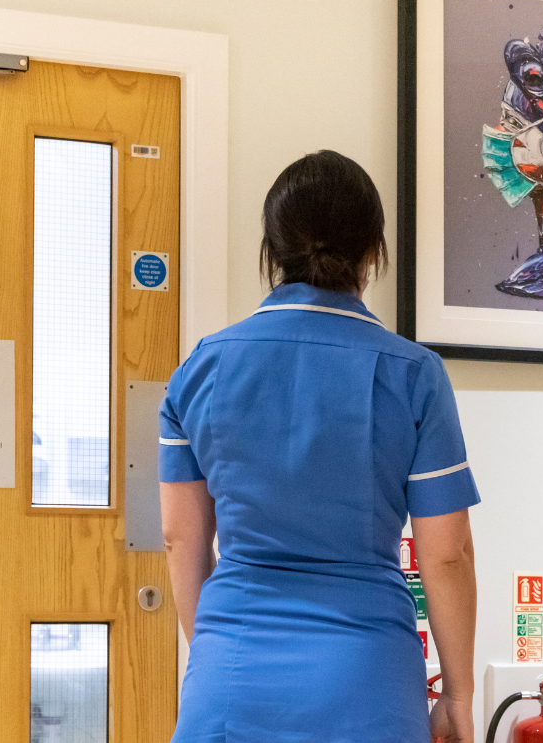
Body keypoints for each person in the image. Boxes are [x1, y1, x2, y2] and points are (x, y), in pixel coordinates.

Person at [159, 150, 479, 743]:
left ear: (272, 252)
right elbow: (447, 555)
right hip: (368, 680)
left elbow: (182, 538)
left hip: (228, 677)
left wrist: (217, 651)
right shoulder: (414, 375)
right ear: (372, 254)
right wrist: (457, 695)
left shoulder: (199, 370)